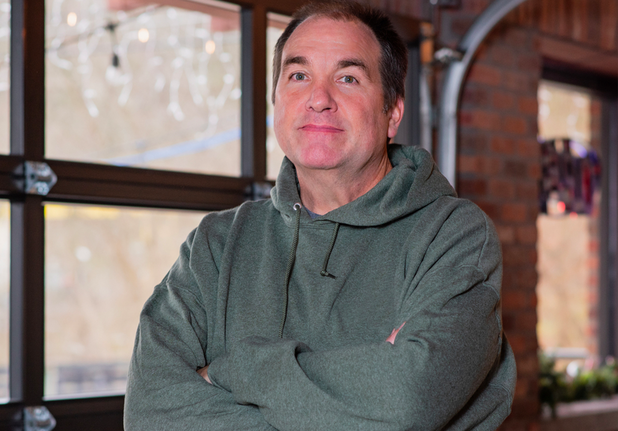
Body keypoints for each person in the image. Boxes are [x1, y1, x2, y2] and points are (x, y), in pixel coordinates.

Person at [124, 0, 516, 429]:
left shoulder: (453, 236)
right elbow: (149, 412)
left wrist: (228, 372)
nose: (319, 99)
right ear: (276, 101)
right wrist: (361, 395)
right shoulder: (216, 245)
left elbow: (408, 400)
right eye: (299, 75)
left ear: (392, 114)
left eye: (348, 78)